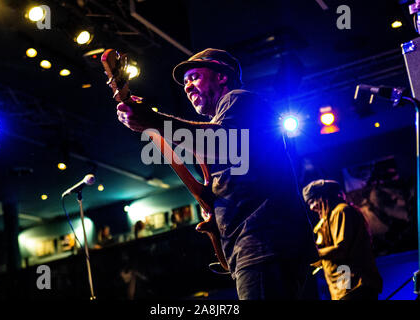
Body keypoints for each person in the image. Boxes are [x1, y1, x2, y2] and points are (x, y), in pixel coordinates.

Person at [116, 48, 318, 299]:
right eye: (185, 82)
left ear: (222, 76)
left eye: (194, 77)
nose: (187, 87)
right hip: (266, 248)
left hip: (263, 245)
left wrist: (154, 121)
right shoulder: (228, 115)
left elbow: (220, 143)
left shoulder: (240, 99)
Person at [302, 179, 383, 300]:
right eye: (309, 204)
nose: (312, 207)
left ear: (325, 197)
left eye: (313, 201)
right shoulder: (329, 218)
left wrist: (315, 253)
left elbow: (341, 250)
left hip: (356, 283)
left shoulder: (341, 212)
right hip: (345, 282)